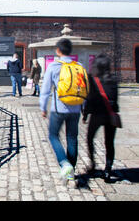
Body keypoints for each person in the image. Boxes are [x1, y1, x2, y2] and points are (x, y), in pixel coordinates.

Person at [39, 38, 86, 183]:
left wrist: (43, 107)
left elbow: (46, 89)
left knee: (53, 136)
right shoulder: (79, 66)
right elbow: (83, 89)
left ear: (58, 51)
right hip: (76, 108)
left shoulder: (53, 66)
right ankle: (70, 171)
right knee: (72, 138)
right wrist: (84, 109)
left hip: (58, 108)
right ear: (70, 51)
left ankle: (64, 163)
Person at [82, 54, 119, 183]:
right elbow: (115, 98)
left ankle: (92, 164)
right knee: (109, 143)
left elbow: (90, 99)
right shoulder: (113, 79)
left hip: (97, 114)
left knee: (89, 138)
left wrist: (85, 114)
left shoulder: (94, 79)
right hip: (110, 114)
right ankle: (108, 170)